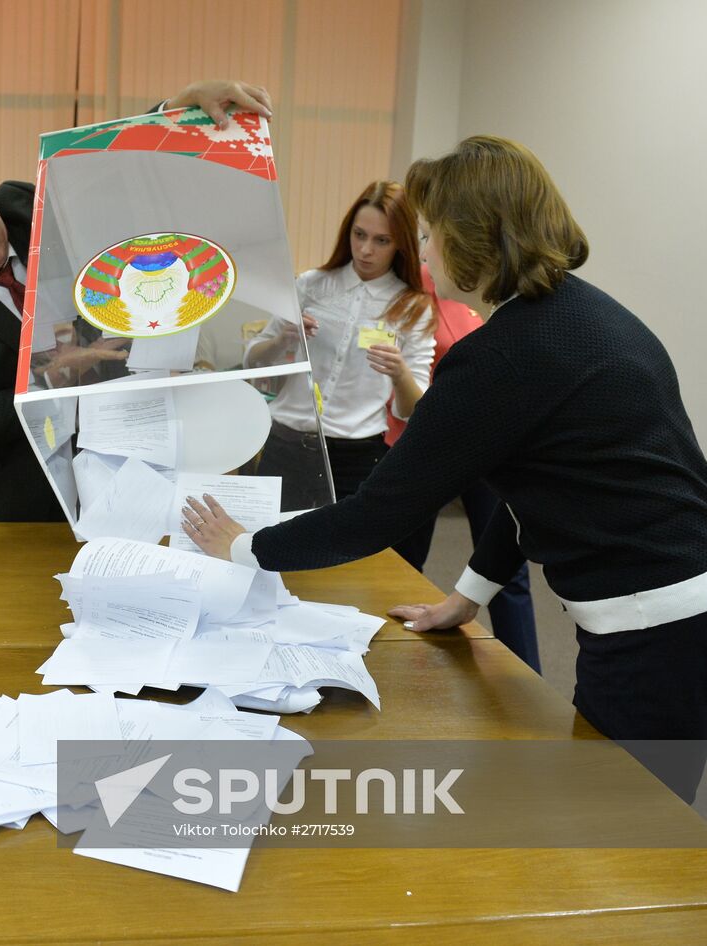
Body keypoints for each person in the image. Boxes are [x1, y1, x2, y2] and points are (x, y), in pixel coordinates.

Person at [182, 136, 707, 802]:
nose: (420, 249)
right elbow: (534, 489)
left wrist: (243, 546)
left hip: (650, 628)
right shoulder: (583, 314)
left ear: (474, 239)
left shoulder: (502, 357)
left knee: (629, 821)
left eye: (429, 233)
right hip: (679, 609)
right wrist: (469, 597)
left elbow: (379, 513)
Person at [0, 79, 272, 523]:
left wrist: (174, 107)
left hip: (133, 451)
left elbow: (104, 172)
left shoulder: (20, 206)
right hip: (34, 488)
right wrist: (55, 373)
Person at [243, 181, 434, 510]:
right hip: (285, 443)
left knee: (341, 560)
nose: (365, 250)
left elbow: (412, 410)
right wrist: (282, 339)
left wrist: (400, 372)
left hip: (355, 458)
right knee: (265, 551)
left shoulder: (412, 306)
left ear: (401, 243)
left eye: (381, 240)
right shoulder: (311, 285)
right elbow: (252, 361)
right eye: (359, 235)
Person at [387, 266, 540, 672]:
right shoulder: (411, 287)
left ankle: (529, 679)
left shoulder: (485, 291)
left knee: (507, 568)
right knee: (403, 563)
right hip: (424, 450)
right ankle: (397, 668)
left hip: (487, 449)